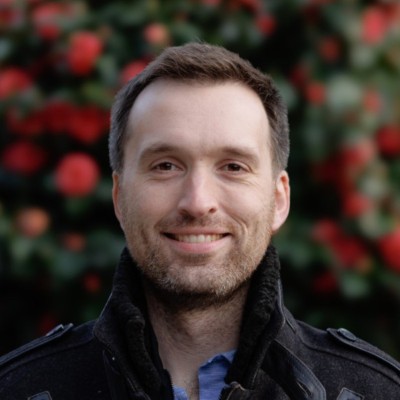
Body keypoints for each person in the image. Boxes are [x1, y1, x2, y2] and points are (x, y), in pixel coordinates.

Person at [0, 42, 399, 400]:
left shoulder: (373, 392)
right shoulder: (22, 390)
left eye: (233, 167)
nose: (198, 202)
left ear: (279, 199)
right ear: (120, 198)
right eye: (166, 165)